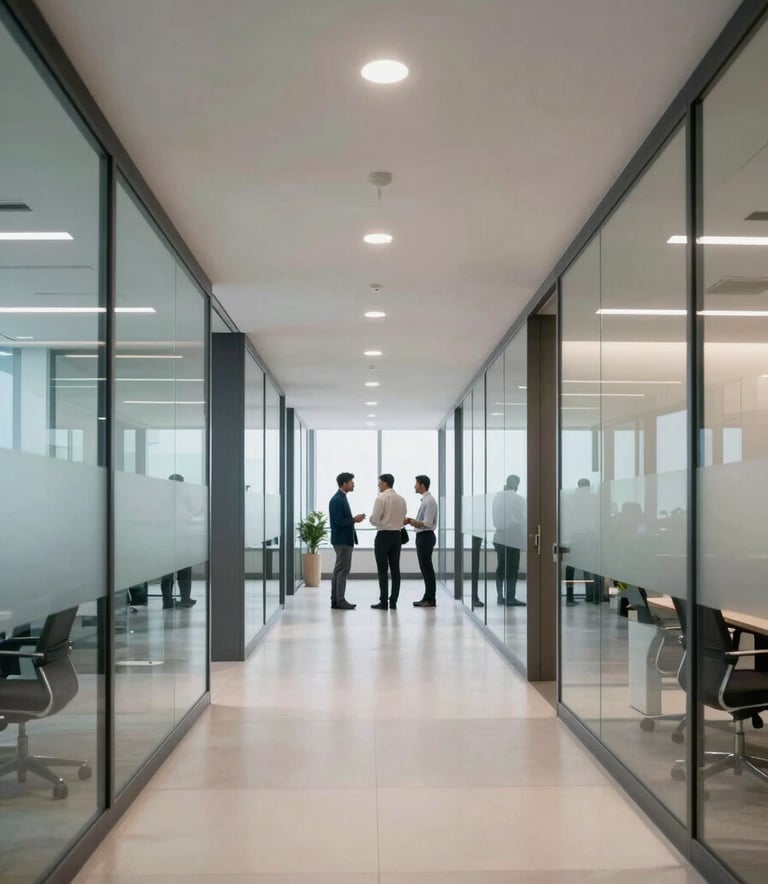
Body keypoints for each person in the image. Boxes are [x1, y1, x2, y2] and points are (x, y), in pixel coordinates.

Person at [328, 471, 366, 610]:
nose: (353, 484)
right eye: (351, 482)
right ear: (344, 483)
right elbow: (339, 521)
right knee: (342, 571)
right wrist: (354, 519)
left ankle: (336, 600)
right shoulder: (338, 499)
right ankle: (340, 600)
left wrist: (353, 520)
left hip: (342, 540)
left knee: (339, 570)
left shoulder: (341, 498)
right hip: (342, 540)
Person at [369, 473, 407, 610]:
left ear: (385, 483)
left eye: (380, 482)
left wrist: (371, 519)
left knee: (383, 570)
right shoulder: (401, 499)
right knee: (395, 570)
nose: (378, 485)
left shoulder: (381, 498)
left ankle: (383, 601)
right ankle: (394, 602)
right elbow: (403, 518)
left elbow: (375, 520)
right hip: (397, 537)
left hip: (383, 537)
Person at [161, 473, 196, 609]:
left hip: (180, 539)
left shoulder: (179, 499)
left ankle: (182, 599)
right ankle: (171, 600)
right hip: (171, 540)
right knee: (172, 572)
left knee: (182, 571)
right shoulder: (167, 500)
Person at [492, 474, 527, 606]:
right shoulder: (517, 499)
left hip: (500, 535)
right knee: (512, 567)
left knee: (501, 566)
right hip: (513, 535)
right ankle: (510, 597)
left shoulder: (497, 498)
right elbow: (522, 519)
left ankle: (500, 596)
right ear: (516, 485)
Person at [407, 474, 438, 607]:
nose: (415, 486)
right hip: (423, 537)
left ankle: (430, 599)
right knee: (425, 568)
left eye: (416, 483)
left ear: (422, 485)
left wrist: (411, 522)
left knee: (427, 568)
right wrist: (412, 521)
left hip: (426, 537)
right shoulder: (426, 500)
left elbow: (427, 523)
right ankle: (427, 597)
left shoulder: (429, 501)